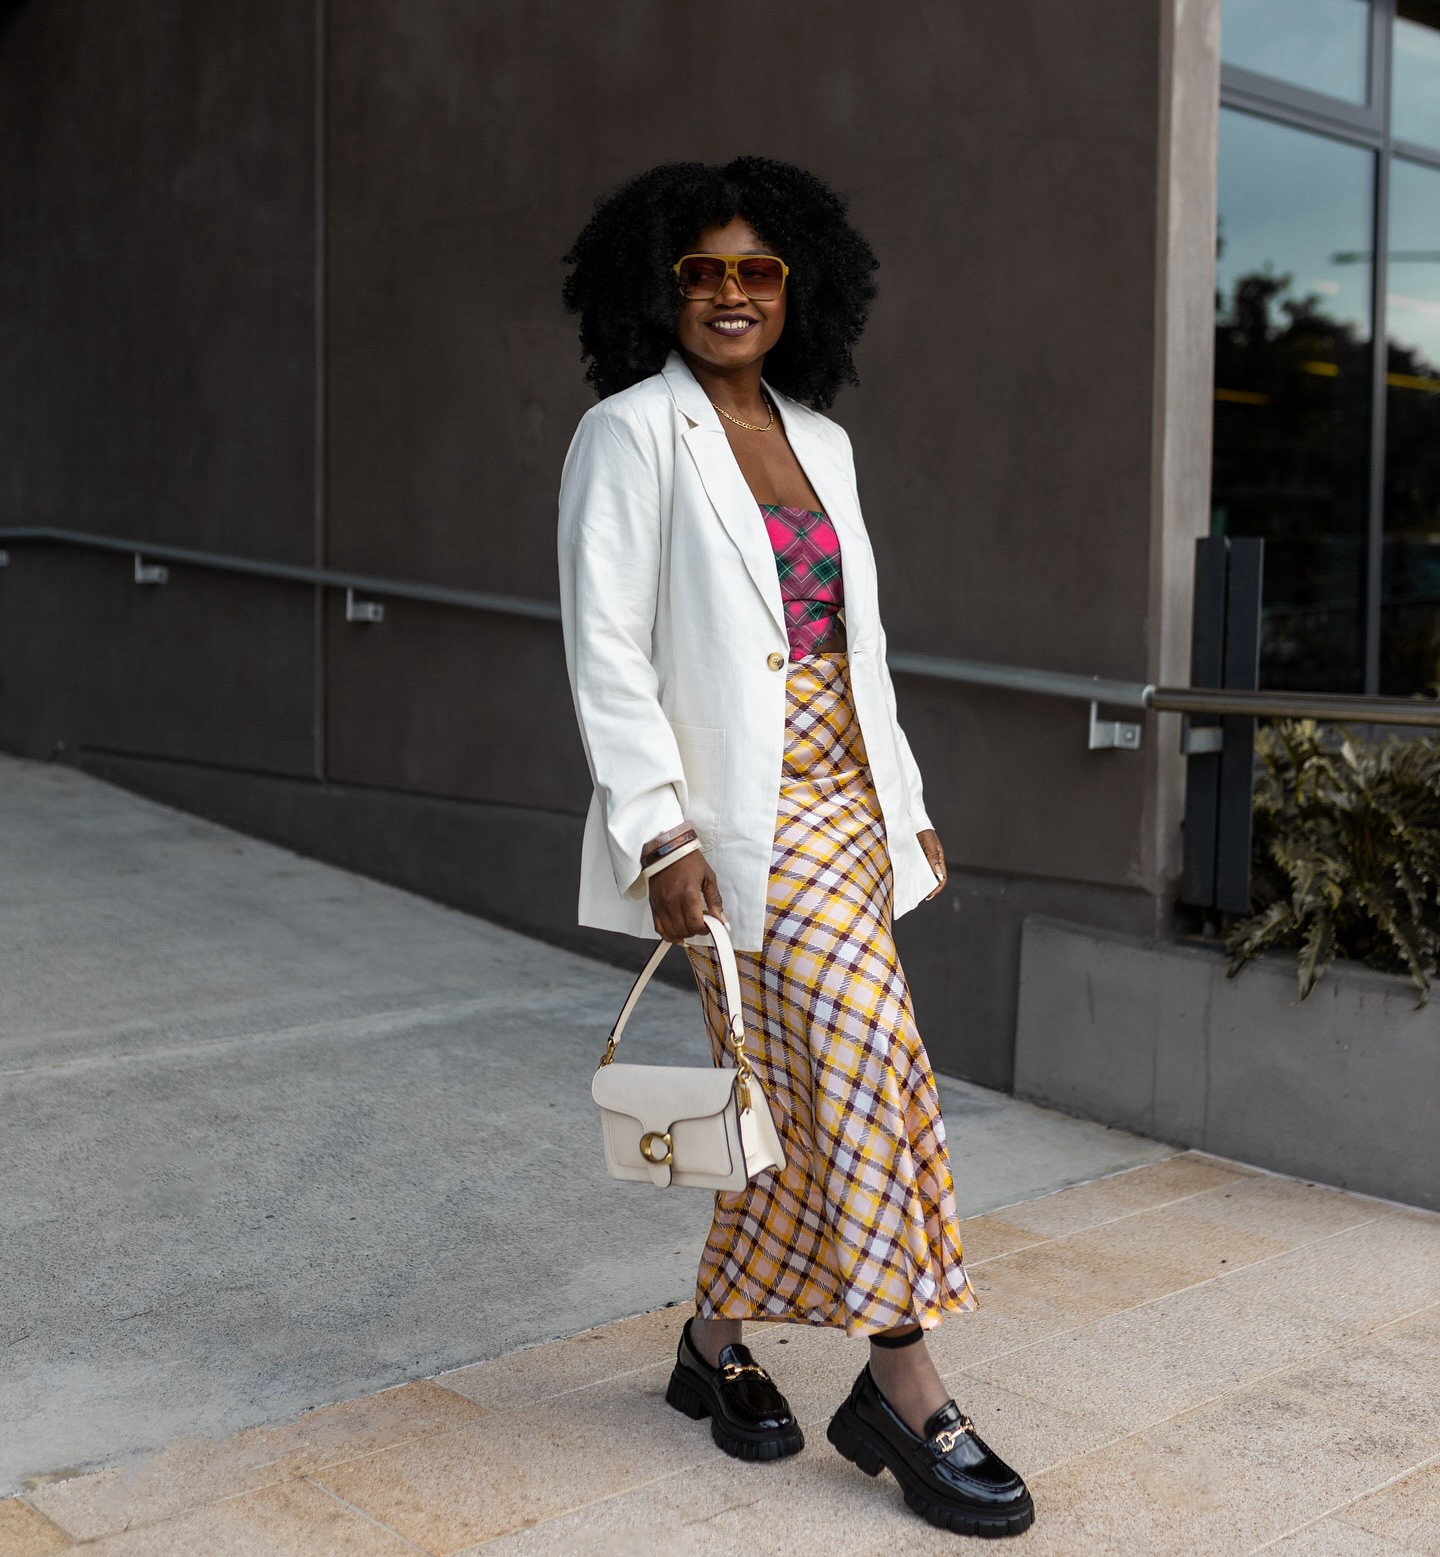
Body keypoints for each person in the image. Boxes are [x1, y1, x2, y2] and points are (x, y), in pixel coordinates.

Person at [557, 157, 1033, 1539]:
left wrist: (905, 794)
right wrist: (657, 831)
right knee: (868, 1056)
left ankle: (711, 1353)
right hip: (729, 823)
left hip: (844, 796)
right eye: (701, 271)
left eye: (755, 271)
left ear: (795, 288)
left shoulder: (822, 440)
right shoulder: (629, 435)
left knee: (794, 1094)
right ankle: (902, 1381)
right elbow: (606, 651)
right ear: (661, 285)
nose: (728, 294)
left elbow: (855, 648)